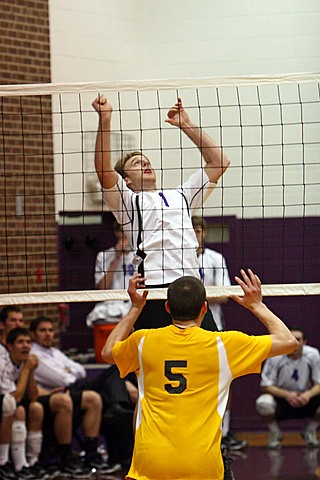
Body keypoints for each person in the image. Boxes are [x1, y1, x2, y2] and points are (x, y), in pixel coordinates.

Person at [101, 270, 298, 480]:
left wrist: (135, 309)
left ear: (167, 307)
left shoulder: (142, 341)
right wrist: (257, 305)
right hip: (202, 464)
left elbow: (107, 351)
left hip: (150, 462)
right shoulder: (224, 345)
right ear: (205, 308)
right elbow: (288, 342)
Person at [92, 95, 230, 331]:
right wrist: (105, 119)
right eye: (137, 163)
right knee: (154, 363)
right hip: (155, 291)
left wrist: (186, 124)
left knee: (208, 360)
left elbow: (219, 162)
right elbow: (103, 170)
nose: (145, 164)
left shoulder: (182, 195)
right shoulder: (128, 201)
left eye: (146, 161)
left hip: (191, 290)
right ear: (125, 180)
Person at [29, 316, 135, 472]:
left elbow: (81, 370)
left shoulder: (54, 352)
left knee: (106, 383)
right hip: (59, 392)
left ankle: (116, 410)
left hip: (73, 388)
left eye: (51, 330)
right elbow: (62, 378)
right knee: (106, 382)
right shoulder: (34, 353)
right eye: (43, 330)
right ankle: (117, 407)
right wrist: (67, 372)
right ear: (33, 334)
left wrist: (67, 372)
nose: (48, 334)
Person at [192, 215, 247, 451]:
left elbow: (224, 294)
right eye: (191, 230)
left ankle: (224, 432)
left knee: (225, 379)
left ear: (204, 233)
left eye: (199, 230)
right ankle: (197, 431)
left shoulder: (216, 258)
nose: (196, 235)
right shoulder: (175, 260)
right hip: (186, 328)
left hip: (214, 327)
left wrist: (192, 297)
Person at [256, 326, 320, 449]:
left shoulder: (313, 355)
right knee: (263, 402)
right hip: (282, 400)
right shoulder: (275, 355)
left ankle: (310, 431)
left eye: (297, 339)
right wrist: (287, 395)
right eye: (290, 339)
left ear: (304, 342)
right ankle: (275, 434)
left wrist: (308, 395)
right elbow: (265, 385)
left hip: (307, 398)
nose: (294, 343)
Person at [0, 327, 47, 480]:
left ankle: (30, 463)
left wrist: (30, 372)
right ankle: (5, 462)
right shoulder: (3, 362)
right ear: (9, 346)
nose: (26, 346)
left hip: (10, 403)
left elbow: (33, 396)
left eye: (28, 342)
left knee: (36, 408)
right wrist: (26, 370)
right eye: (21, 342)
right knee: (11, 405)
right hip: (5, 402)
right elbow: (15, 399)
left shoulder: (23, 362)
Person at [86, 220, 135, 327]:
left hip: (133, 306)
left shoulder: (139, 256)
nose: (123, 240)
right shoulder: (103, 256)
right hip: (112, 307)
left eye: (126, 235)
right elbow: (102, 288)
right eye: (120, 235)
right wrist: (117, 257)